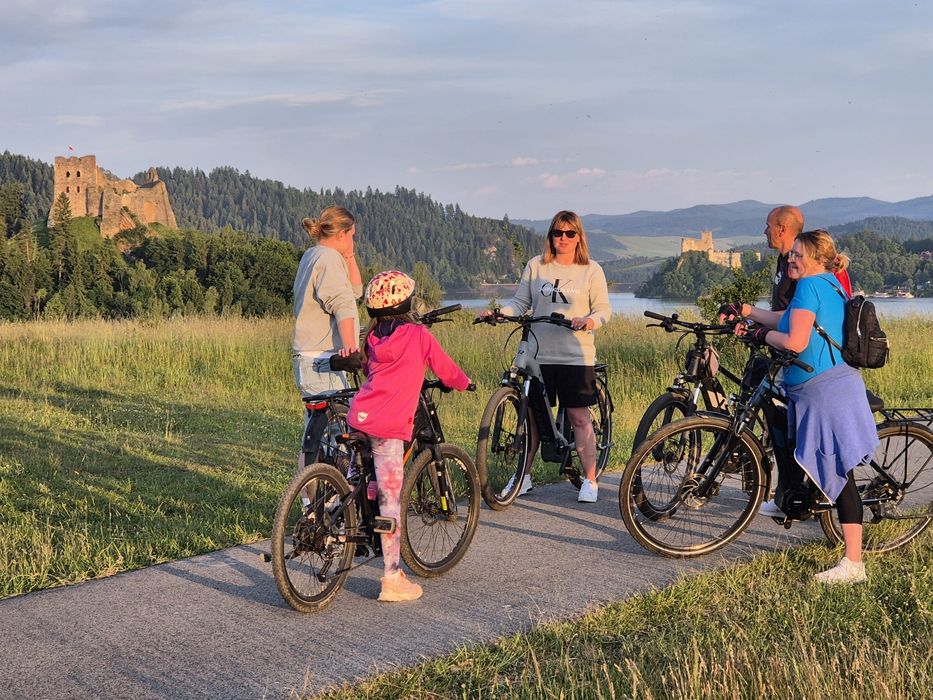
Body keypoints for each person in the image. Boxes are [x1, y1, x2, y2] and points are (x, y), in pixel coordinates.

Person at [727, 230, 878, 584]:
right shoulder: (823, 283)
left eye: (797, 254)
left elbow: (795, 339)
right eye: (790, 253)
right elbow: (787, 320)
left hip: (827, 392)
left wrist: (757, 335)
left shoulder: (811, 286)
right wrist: (748, 312)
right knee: (822, 460)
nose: (790, 259)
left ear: (816, 258)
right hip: (817, 389)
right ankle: (796, 500)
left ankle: (854, 564)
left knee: (841, 474)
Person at [347, 270, 472, 602]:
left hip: (358, 416)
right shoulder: (418, 335)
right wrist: (464, 383)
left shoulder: (371, 338)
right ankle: (391, 579)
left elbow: (369, 368)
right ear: (407, 303)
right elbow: (445, 369)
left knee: (359, 478)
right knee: (391, 499)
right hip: (388, 426)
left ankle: (338, 519)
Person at [480, 210, 611, 503]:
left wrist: (588, 321)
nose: (563, 239)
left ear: (579, 237)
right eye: (557, 233)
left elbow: (603, 310)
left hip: (575, 355)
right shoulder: (536, 266)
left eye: (570, 234)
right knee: (532, 420)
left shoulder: (591, 269)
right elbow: (520, 302)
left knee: (579, 418)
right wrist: (500, 314)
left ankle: (589, 479)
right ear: (550, 235)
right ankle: (522, 478)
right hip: (539, 354)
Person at [291, 206, 362, 398]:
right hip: (325, 361)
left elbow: (355, 291)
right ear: (341, 234)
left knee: (318, 426)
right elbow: (342, 305)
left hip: (313, 360)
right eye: (351, 235)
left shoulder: (313, 254)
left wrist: (349, 255)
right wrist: (351, 353)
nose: (352, 241)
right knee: (339, 427)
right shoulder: (328, 258)